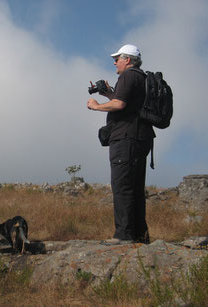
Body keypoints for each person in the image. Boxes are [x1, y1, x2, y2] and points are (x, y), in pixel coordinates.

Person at [87, 44, 155, 245]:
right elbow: (123, 101)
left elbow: (120, 105)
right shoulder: (142, 78)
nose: (115, 62)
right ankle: (140, 236)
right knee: (135, 188)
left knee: (122, 186)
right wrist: (109, 93)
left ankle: (124, 236)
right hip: (141, 139)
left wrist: (97, 106)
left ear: (128, 60)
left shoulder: (128, 76)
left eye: (118, 58)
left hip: (126, 139)